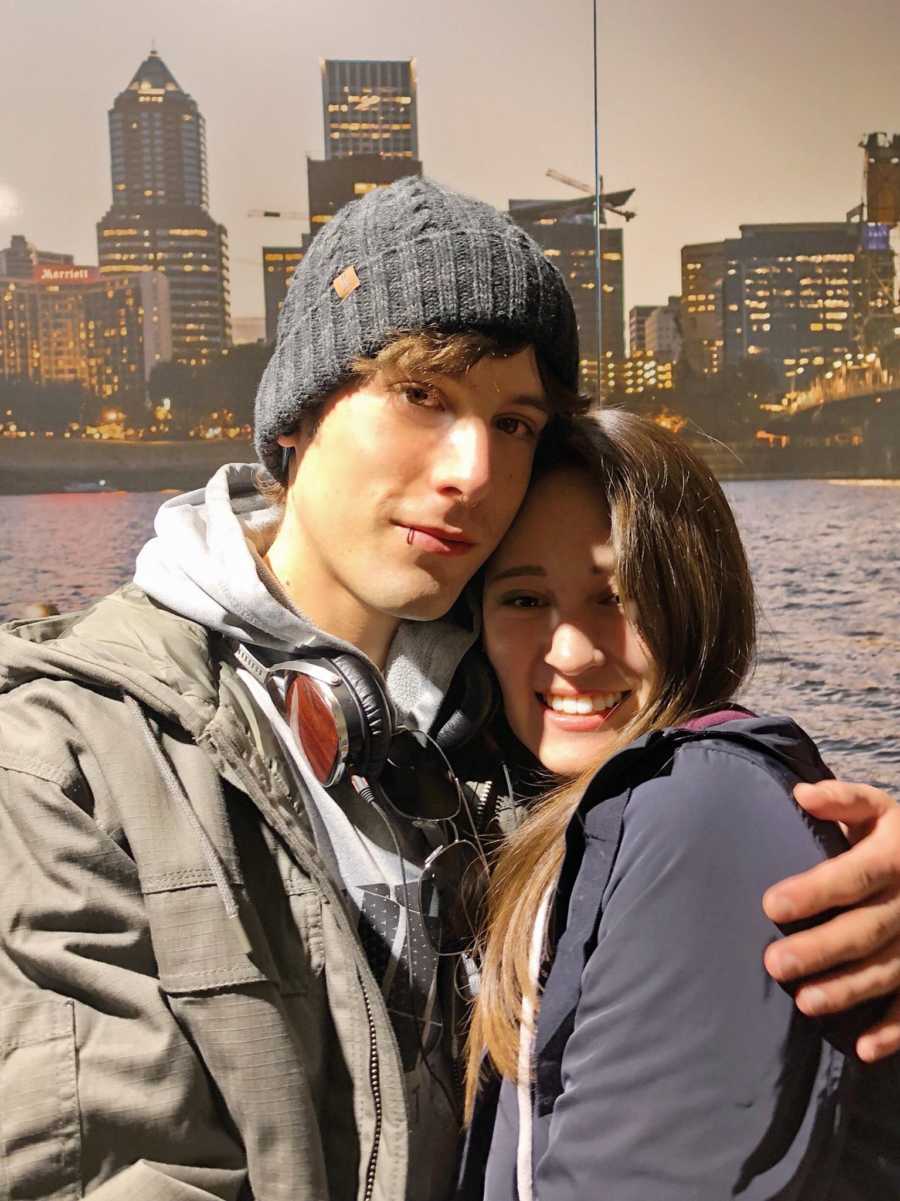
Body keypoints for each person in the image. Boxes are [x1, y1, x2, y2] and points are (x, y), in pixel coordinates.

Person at [0, 177, 897, 1201]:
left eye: (515, 423)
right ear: (296, 418)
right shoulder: (67, 755)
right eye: (423, 394)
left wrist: (844, 863)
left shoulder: (527, 741)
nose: (473, 468)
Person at [463, 409, 900, 1200]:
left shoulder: (701, 814)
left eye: (616, 596)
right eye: (524, 600)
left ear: (694, 598)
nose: (570, 651)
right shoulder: (574, 815)